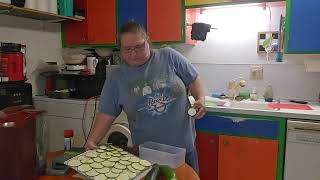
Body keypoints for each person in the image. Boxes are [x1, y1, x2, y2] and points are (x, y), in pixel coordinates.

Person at [84, 21, 207, 173]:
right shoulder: (116, 78)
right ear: (120, 49)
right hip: (147, 158)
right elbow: (106, 114)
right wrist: (92, 141)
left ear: (148, 40)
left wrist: (200, 99)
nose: (134, 54)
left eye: (139, 46)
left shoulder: (169, 56)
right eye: (127, 49)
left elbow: (193, 79)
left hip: (183, 153)